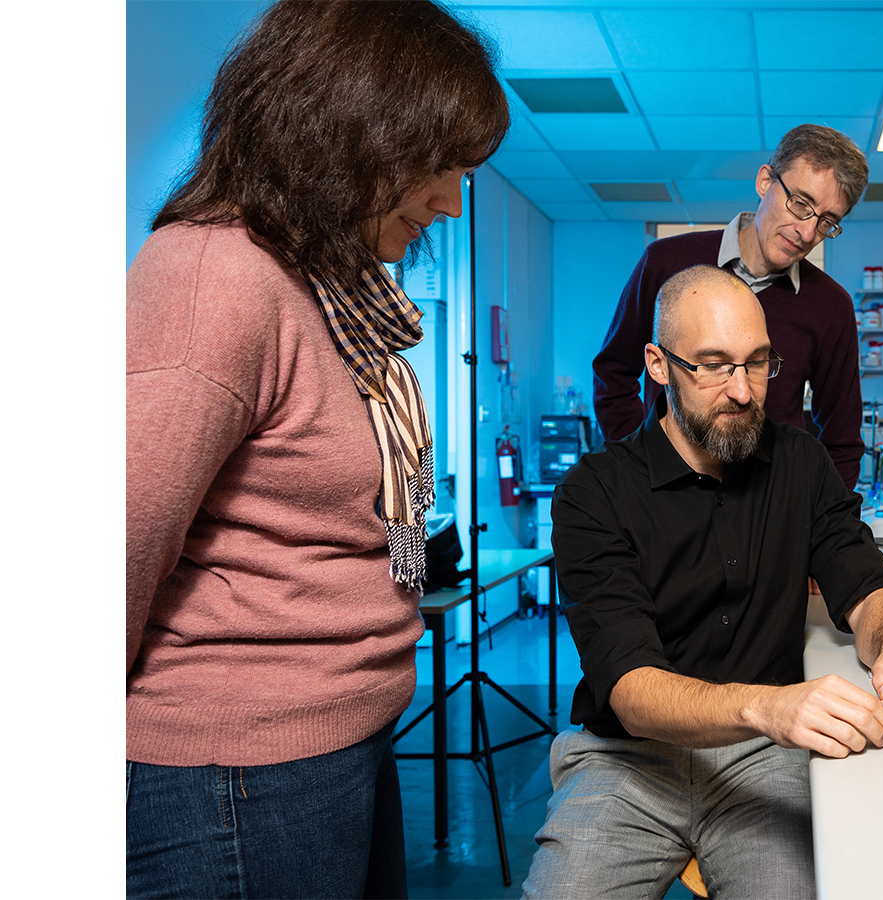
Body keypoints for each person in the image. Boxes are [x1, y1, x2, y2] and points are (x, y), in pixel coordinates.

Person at [124, 1, 509, 896]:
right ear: (354, 135)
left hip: (340, 740)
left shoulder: (334, 302)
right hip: (237, 770)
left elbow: (379, 525)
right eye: (440, 169)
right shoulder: (214, 279)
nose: (450, 203)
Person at [524, 266, 883, 899]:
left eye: (757, 364)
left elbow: (865, 580)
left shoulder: (801, 461)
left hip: (764, 759)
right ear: (658, 364)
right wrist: (767, 706)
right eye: (713, 365)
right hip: (628, 761)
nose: (742, 391)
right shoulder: (594, 493)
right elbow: (631, 690)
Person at [591, 124, 871, 489]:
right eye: (800, 204)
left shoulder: (830, 306)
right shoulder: (666, 261)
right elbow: (613, 373)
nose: (806, 232)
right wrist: (641, 464)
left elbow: (843, 436)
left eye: (827, 222)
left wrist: (822, 520)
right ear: (765, 181)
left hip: (773, 504)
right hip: (666, 496)